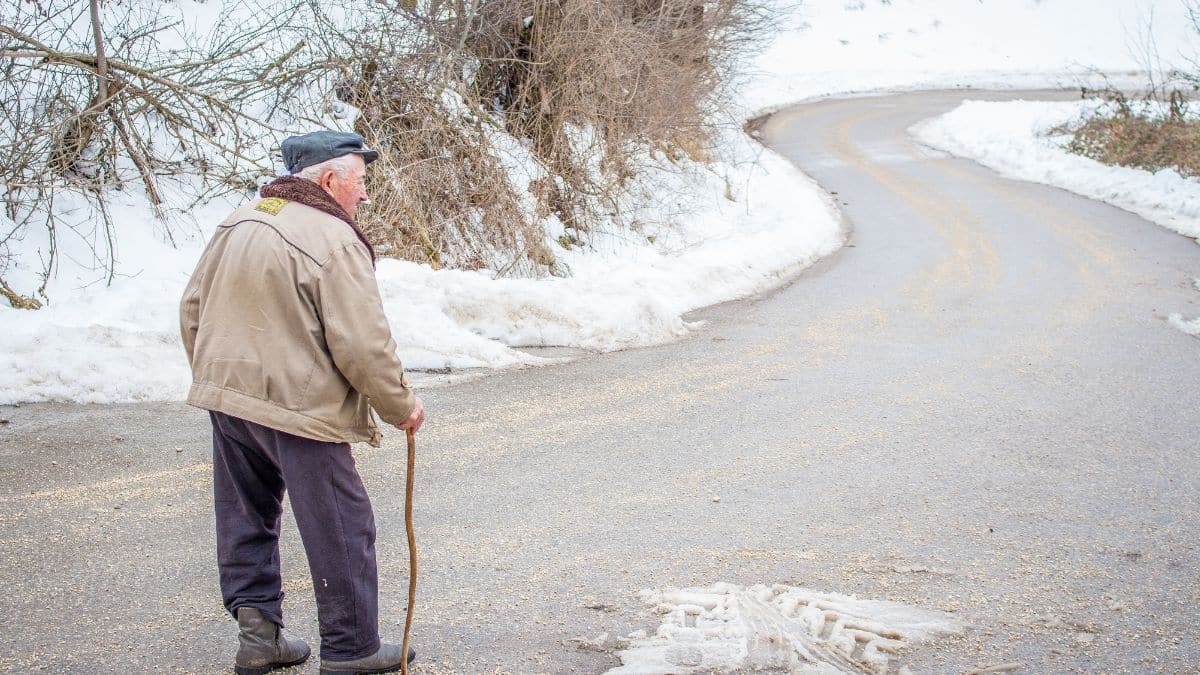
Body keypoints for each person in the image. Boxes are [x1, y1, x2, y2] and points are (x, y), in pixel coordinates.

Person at [180, 130, 425, 675]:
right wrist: (399, 405)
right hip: (299, 406)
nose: (364, 196)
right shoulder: (334, 239)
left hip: (230, 396)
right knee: (341, 522)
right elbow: (363, 343)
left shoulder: (240, 220)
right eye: (360, 182)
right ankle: (351, 648)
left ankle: (259, 637)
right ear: (331, 178)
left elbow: (192, 307)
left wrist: (215, 374)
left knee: (246, 514)